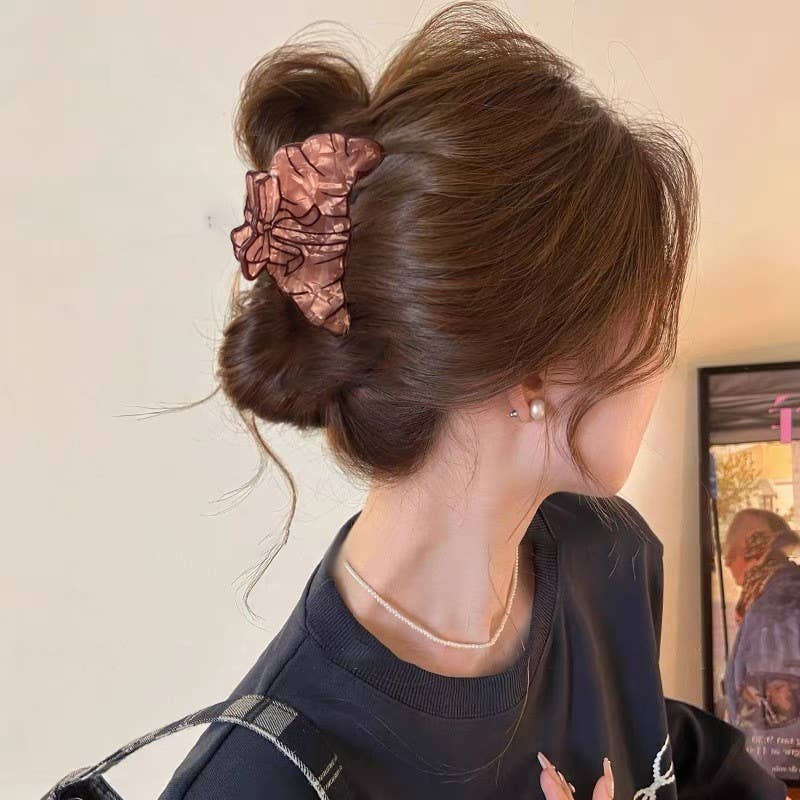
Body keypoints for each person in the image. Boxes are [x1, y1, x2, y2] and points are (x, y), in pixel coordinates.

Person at [158, 3, 788, 798]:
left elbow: (682, 757)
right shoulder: (263, 782)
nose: (663, 357)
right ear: (536, 369)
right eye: (654, 318)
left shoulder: (608, 556)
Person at [722, 509, 800, 777]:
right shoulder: (781, 593)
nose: (729, 569)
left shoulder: (777, 608)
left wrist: (756, 782)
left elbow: (774, 734)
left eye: (729, 558)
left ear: (751, 549)